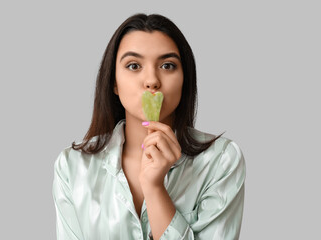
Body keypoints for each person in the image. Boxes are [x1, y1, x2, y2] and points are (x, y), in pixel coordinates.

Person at [52, 13, 246, 240]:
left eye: (167, 65)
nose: (152, 80)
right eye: (134, 65)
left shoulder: (220, 160)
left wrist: (154, 189)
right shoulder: (72, 167)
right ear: (114, 81)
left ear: (185, 79)